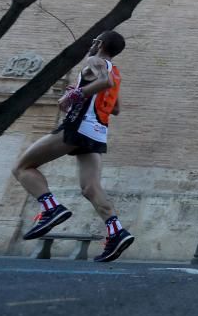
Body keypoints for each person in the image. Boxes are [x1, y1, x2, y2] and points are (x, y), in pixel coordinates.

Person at [12, 31, 135, 263]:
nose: (91, 45)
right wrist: (83, 95)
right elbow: (116, 108)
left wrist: (74, 95)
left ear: (99, 44)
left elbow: (103, 82)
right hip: (98, 132)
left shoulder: (94, 61)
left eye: (94, 41)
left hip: (77, 127)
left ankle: (51, 208)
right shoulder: (116, 72)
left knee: (22, 167)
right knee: (90, 187)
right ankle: (116, 231)